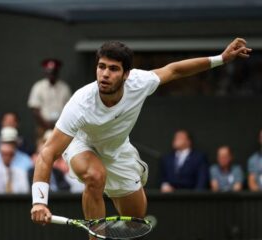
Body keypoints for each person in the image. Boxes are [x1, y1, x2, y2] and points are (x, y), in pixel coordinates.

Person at [30, 38, 251, 230]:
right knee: (95, 176)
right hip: (83, 145)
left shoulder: (140, 82)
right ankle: (95, 237)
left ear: (126, 74)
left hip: (118, 151)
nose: (105, 74)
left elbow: (175, 70)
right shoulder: (80, 103)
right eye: (101, 67)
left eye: (113, 69)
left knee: (135, 223)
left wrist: (221, 59)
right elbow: (48, 152)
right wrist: (39, 201)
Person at [28, 59, 72, 138]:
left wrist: (59, 124)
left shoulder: (65, 87)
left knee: (61, 149)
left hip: (61, 127)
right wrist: (46, 125)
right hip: (42, 126)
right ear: (45, 72)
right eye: (49, 72)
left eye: (54, 73)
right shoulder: (38, 86)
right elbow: (35, 110)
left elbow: (69, 108)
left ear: (57, 73)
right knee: (42, 148)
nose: (51, 75)